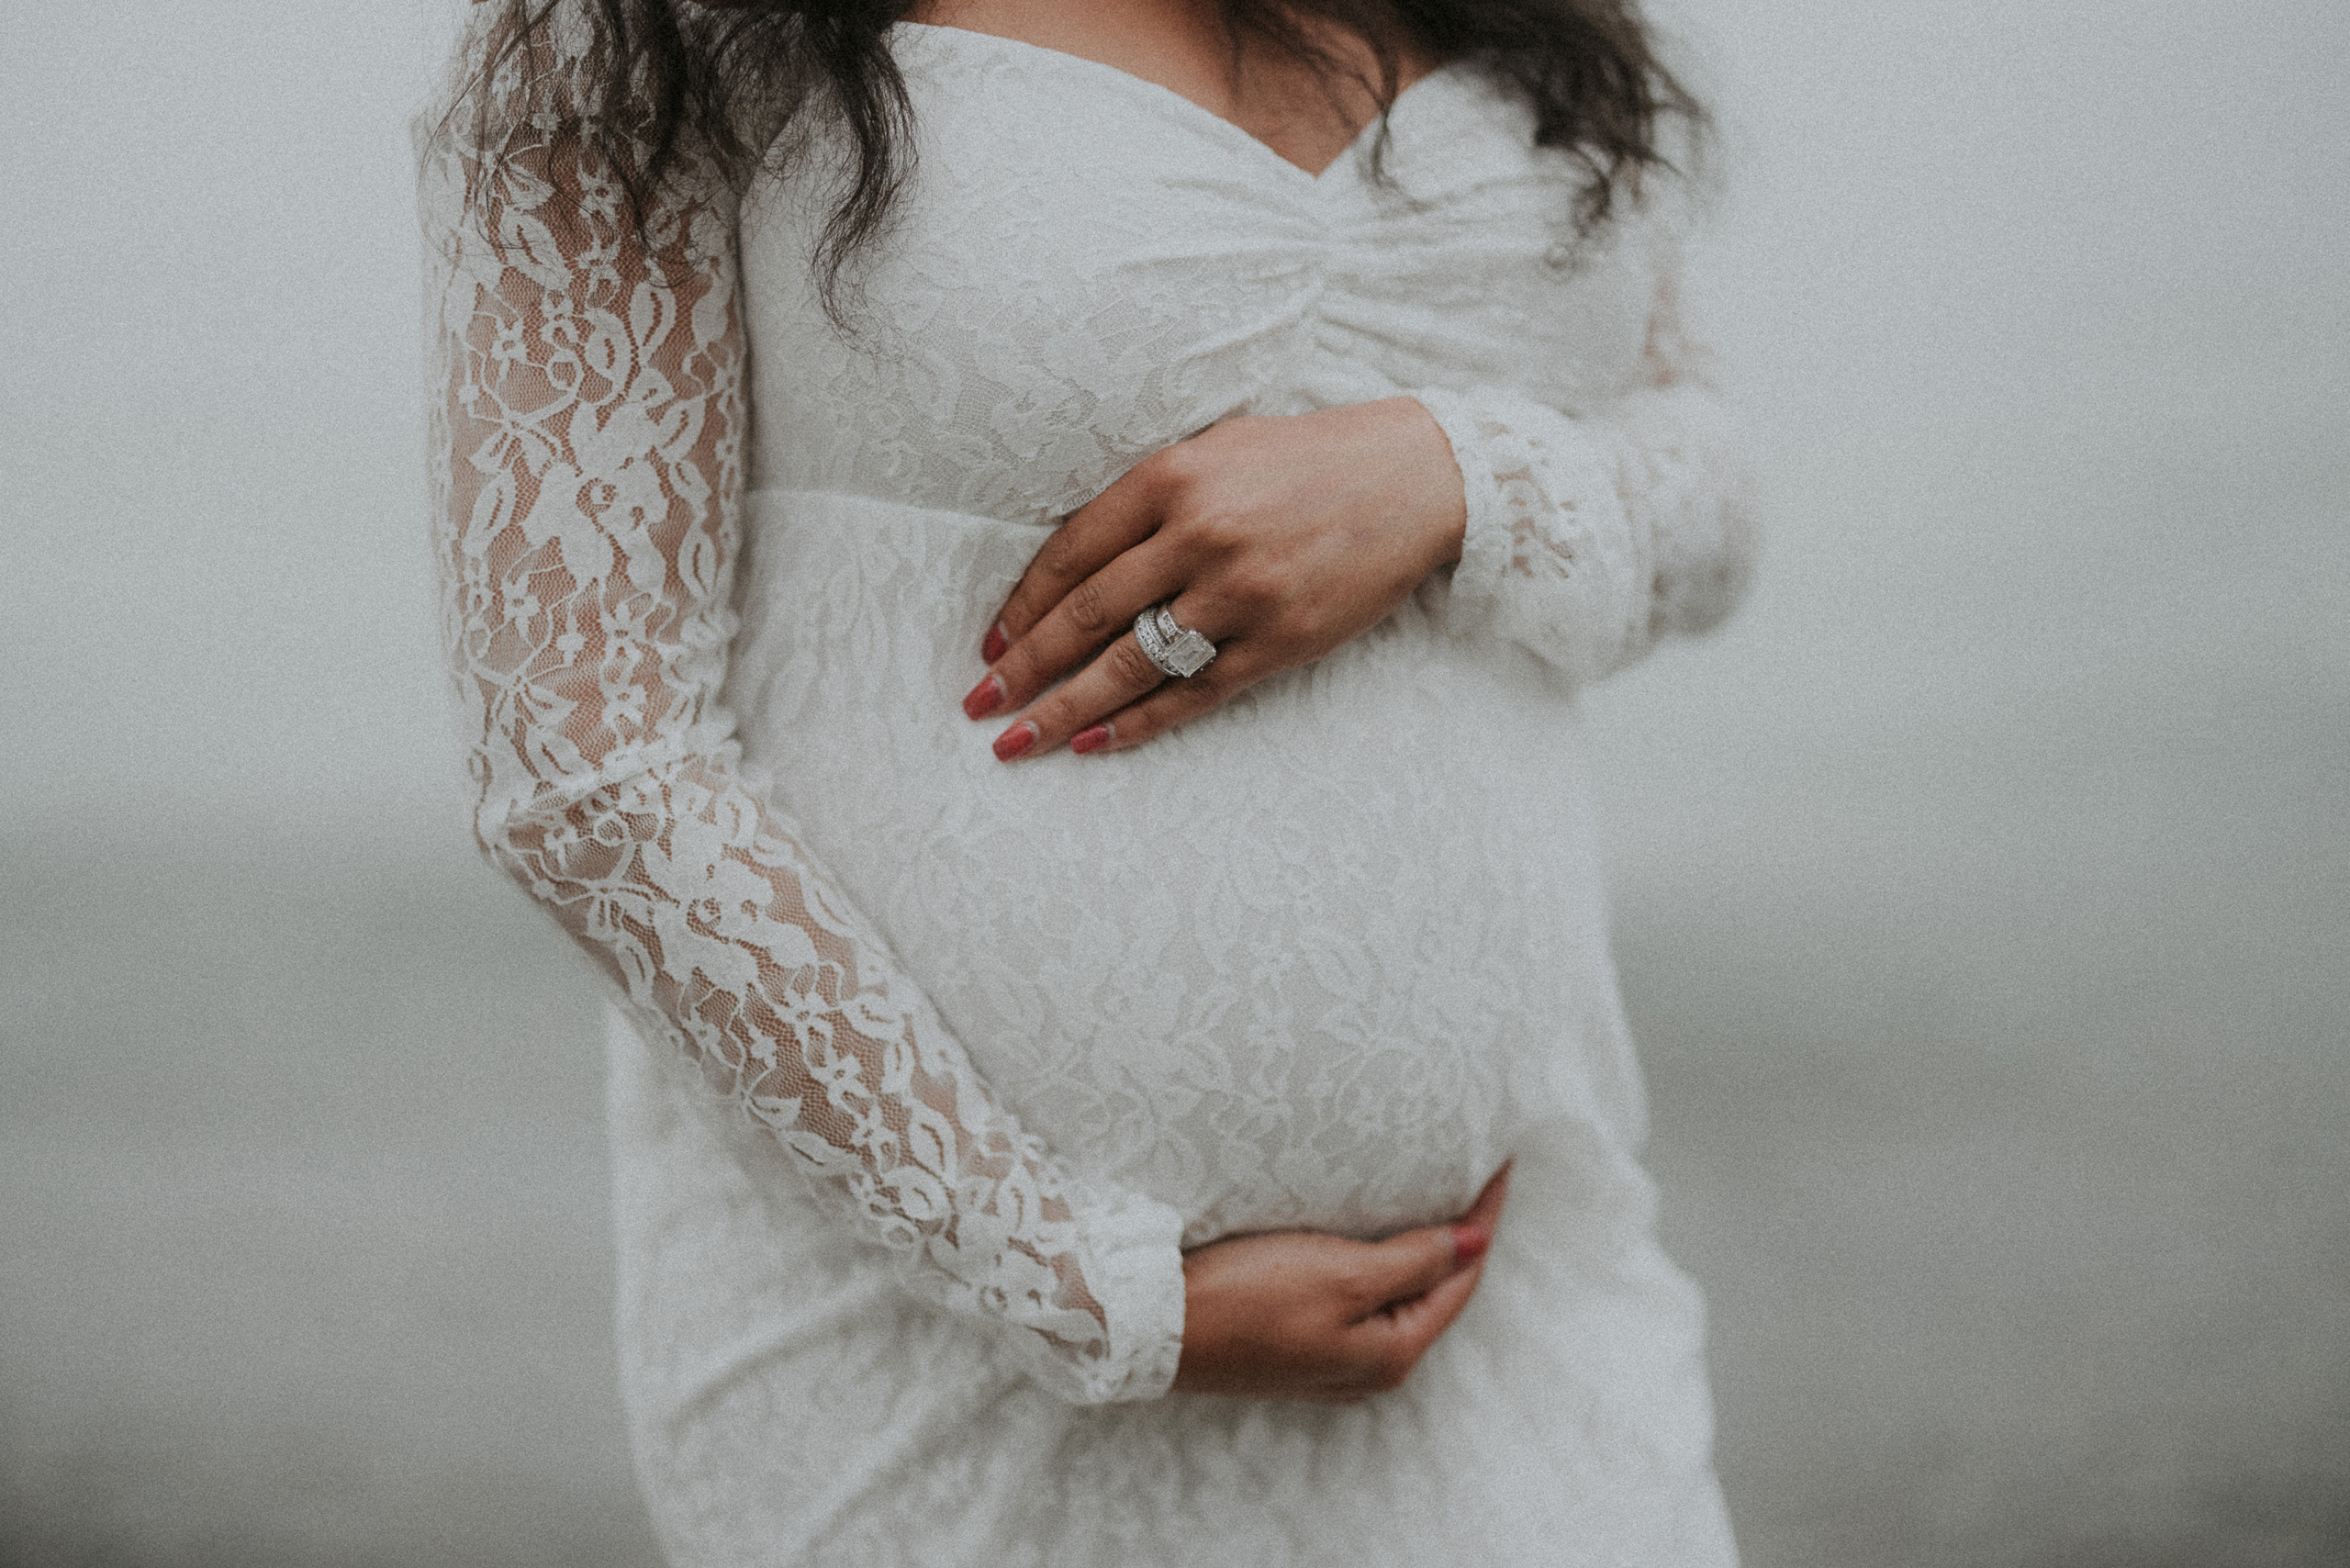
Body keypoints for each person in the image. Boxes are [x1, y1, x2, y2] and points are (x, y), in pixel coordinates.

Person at [420, 0, 1757, 1561]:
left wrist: (1454, 473)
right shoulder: (658, 29)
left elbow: (1710, 488)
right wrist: (1066, 1281)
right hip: (945, 1342)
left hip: (1511, 1304)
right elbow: (585, 751)